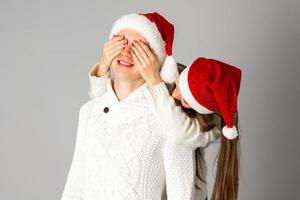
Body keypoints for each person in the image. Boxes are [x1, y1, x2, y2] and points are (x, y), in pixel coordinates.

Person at [61, 12, 217, 200]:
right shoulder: (89, 112)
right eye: (121, 42)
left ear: (155, 59)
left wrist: (155, 79)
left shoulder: (170, 120)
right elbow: (75, 186)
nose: (126, 52)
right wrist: (101, 67)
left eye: (138, 48)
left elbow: (181, 194)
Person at [89, 56, 242, 200]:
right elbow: (109, 108)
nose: (174, 95)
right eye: (178, 86)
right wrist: (101, 70)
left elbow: (178, 133)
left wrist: (155, 82)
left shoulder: (203, 125)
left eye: (185, 101)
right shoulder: (171, 76)